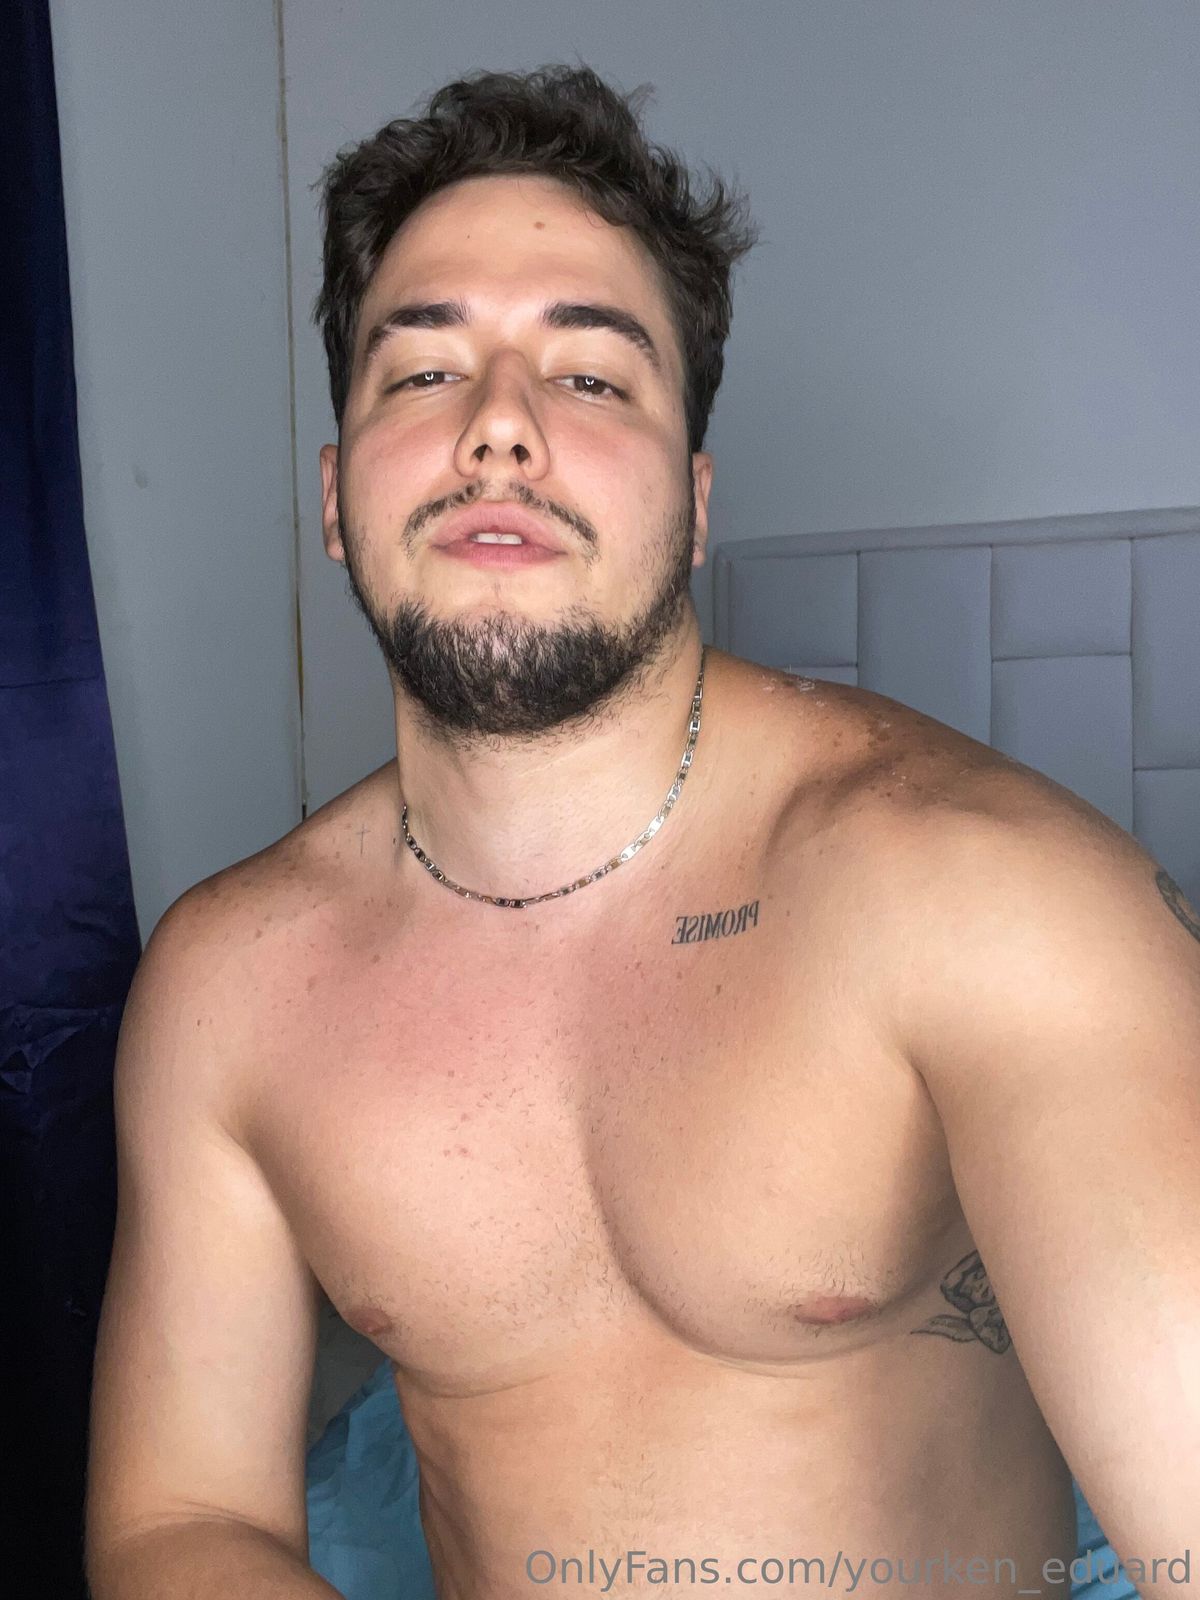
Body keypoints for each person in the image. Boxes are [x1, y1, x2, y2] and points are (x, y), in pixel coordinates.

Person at [84, 64, 1199, 1600]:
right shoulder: (229, 988)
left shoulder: (988, 894)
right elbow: (180, 1517)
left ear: (694, 495)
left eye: (593, 378)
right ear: (336, 499)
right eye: (424, 371)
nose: (499, 428)